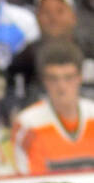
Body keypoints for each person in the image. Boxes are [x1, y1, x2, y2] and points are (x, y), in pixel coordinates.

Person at [12, 38, 94, 172]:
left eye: (68, 77)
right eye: (53, 79)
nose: (61, 87)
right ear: (44, 81)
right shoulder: (28, 124)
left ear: (80, 77)